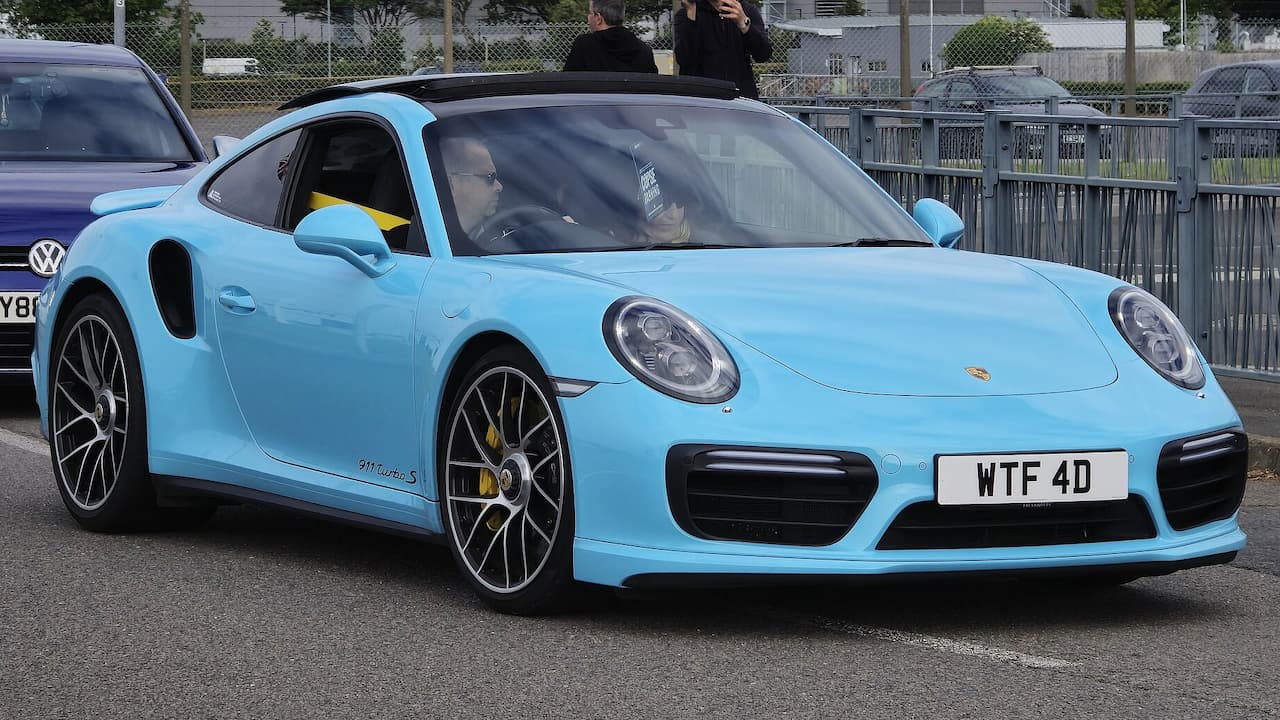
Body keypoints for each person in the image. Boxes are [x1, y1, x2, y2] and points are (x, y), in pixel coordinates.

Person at [673, 0, 771, 100]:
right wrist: (691, 14)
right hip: (701, 99)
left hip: (740, 98)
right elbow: (683, 59)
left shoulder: (745, 10)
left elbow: (763, 54)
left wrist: (743, 23)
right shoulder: (686, 13)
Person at [563, 0, 658, 73]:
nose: (588, 18)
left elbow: (568, 82)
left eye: (590, 13)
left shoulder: (584, 44)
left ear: (598, 18)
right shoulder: (644, 50)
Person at [441, 136, 503, 236]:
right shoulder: (426, 244)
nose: (499, 187)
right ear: (451, 185)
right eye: (490, 177)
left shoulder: (499, 237)